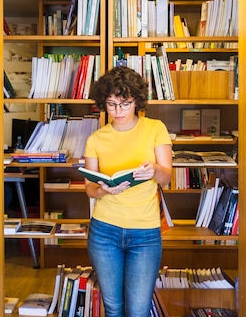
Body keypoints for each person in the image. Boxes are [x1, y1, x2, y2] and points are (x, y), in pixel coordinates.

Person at [83, 66, 172, 317]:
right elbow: (90, 189)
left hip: (145, 233)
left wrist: (154, 169)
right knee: (113, 307)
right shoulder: (96, 139)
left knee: (138, 310)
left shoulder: (155, 129)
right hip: (103, 232)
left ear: (136, 101)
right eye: (111, 104)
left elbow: (166, 178)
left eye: (124, 104)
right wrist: (104, 190)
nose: (117, 111)